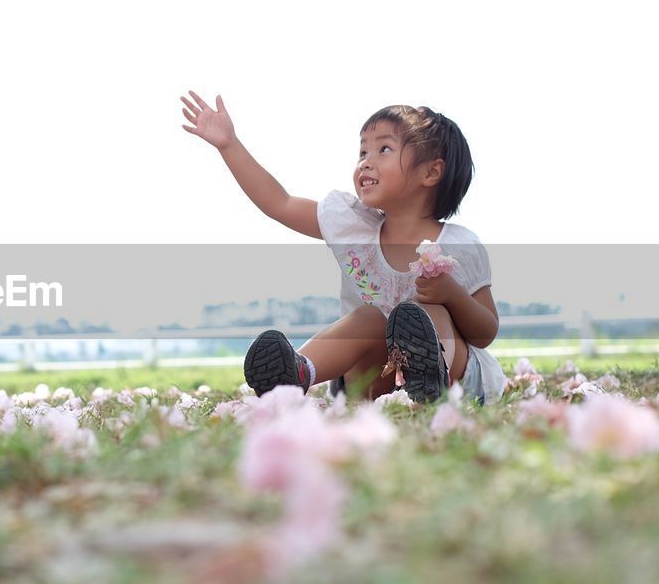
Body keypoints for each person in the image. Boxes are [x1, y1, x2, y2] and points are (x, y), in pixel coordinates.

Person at [179, 90, 505, 404]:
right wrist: (230, 145)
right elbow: (280, 202)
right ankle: (297, 373)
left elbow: (485, 332)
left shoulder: (458, 246)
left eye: (384, 149)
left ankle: (430, 380)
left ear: (431, 172)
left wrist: (452, 295)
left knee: (426, 312)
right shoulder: (355, 229)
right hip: (374, 381)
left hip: (457, 382)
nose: (365, 162)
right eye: (363, 152)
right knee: (370, 318)